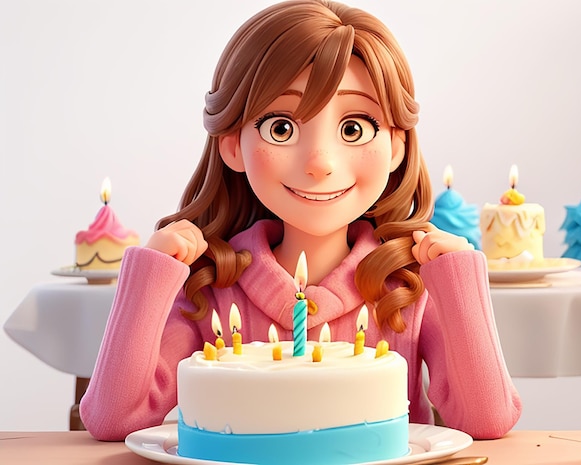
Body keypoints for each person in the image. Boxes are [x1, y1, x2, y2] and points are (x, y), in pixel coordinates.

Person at [80, 0, 521, 441]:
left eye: (354, 129)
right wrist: (150, 274)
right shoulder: (210, 285)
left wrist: (459, 276)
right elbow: (115, 419)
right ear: (232, 144)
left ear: (397, 146)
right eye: (281, 128)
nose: (320, 163)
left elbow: (486, 419)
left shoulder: (407, 285)